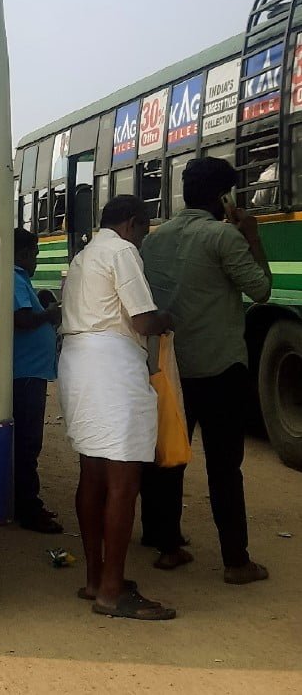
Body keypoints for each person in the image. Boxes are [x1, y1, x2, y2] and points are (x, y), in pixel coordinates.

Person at [139, 156, 272, 585]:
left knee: (168, 457)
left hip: (171, 367)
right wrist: (252, 235)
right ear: (224, 197)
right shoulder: (223, 237)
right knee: (223, 466)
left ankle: (168, 547)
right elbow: (262, 290)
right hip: (219, 368)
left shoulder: (155, 240)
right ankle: (236, 561)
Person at [58, 195, 175, 620]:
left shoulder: (83, 256)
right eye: (144, 231)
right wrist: (167, 320)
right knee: (124, 481)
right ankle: (112, 591)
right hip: (112, 368)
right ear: (133, 223)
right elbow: (143, 320)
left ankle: (95, 580)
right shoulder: (122, 251)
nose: (143, 241)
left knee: (92, 473)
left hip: (78, 363)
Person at [12, 227, 63, 533]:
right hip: (26, 374)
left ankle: (25, 502)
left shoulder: (18, 278)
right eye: (35, 256)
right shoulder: (16, 277)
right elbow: (24, 320)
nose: (36, 263)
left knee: (26, 443)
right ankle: (29, 508)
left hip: (28, 372)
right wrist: (51, 314)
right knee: (28, 444)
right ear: (24, 254)